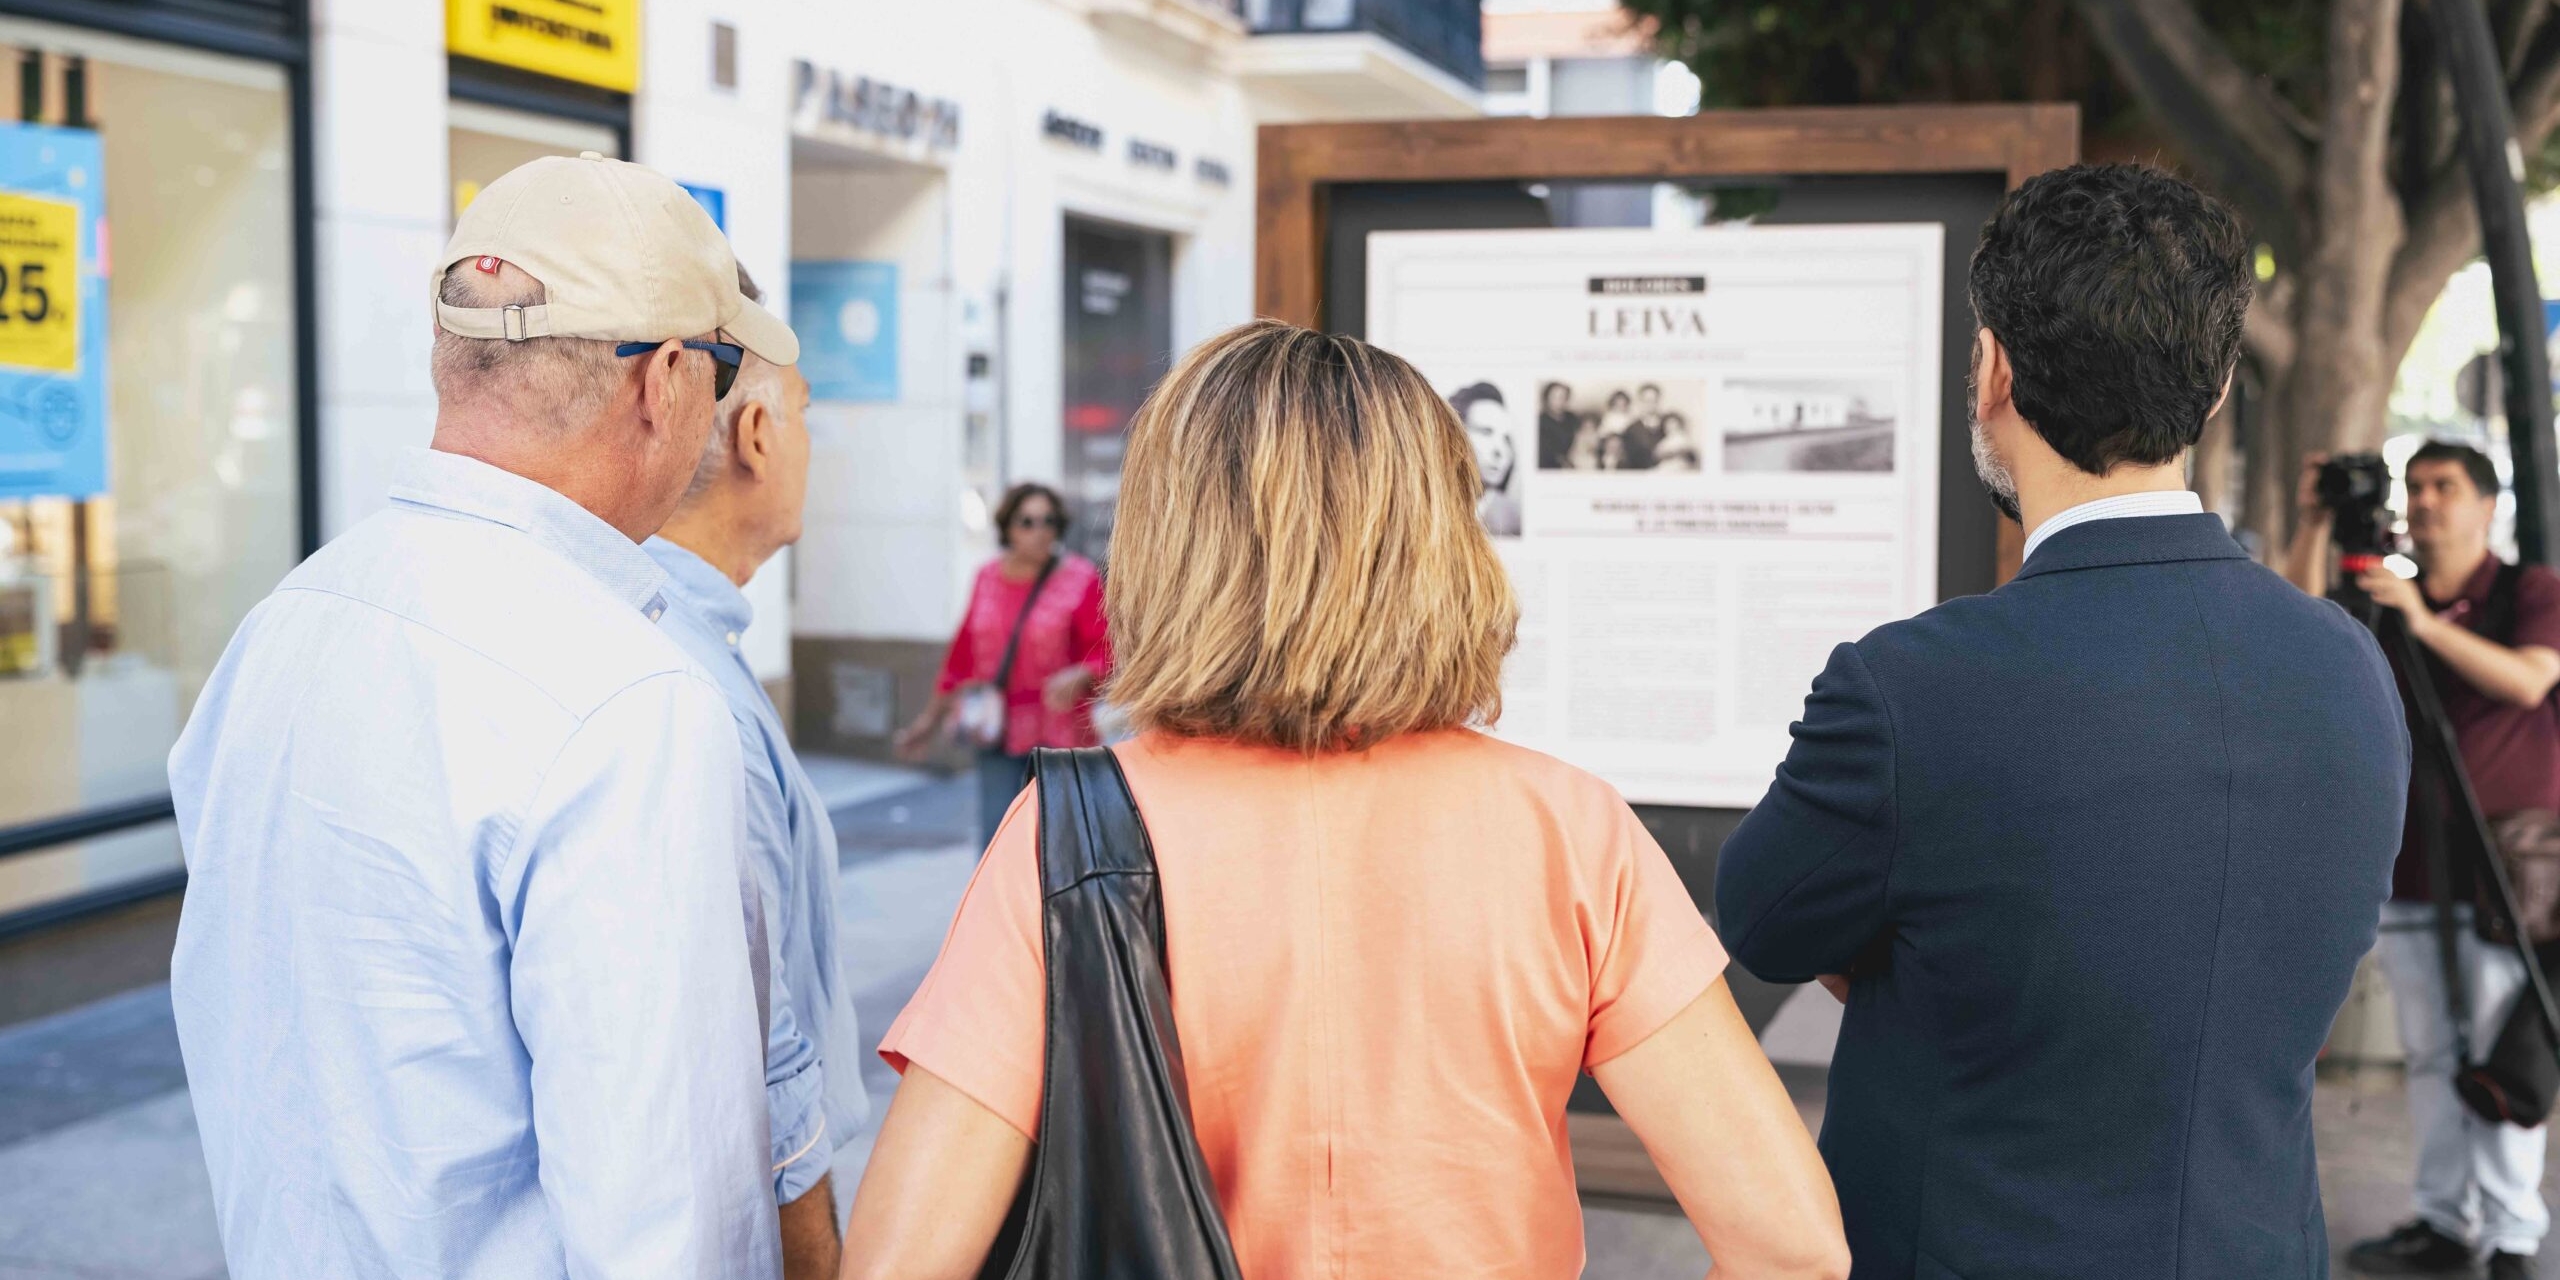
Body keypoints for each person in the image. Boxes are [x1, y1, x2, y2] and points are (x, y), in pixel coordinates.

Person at [839, 320, 1849, 1280]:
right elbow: (1792, 1247)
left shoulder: (1068, 835)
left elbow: (899, 1260)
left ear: (1171, 544)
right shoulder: (1572, 831)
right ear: (1442, 537)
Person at [1716, 163, 2410, 1277]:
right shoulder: (2348, 665)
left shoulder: (1910, 687)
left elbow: (1762, 921)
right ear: (2219, 383)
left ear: (1991, 366)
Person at [166, 153, 798, 1278]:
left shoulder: (287, 619)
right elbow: (666, 1220)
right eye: (717, 369)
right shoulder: (633, 696)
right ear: (661, 381)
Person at [2293, 443, 2560, 1280]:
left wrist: (2421, 620)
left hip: (2506, 870)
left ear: (2487, 506)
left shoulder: (2529, 591)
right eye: (2417, 487)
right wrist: (2316, 523)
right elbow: (2299, 626)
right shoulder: (2386, 593)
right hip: (2412, 864)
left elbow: (2527, 682)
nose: (2427, 502)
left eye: (2446, 487)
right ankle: (2445, 1220)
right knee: (2434, 1054)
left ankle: (2513, 1237)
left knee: (2502, 1062)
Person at [645, 265, 864, 1280]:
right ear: (758, 435)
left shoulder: (682, 645)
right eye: (807, 415)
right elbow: (763, 1057)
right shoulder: (689, 689)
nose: (813, 447)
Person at [894, 482, 1110, 841]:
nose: (1040, 532)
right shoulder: (987, 579)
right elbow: (961, 659)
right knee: (998, 841)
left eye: (1049, 521)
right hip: (996, 730)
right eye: (1028, 522)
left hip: (1061, 737)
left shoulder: (1079, 579)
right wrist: (927, 723)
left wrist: (1081, 673)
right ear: (1007, 527)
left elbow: (1108, 650)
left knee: (1060, 846)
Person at [1450, 380, 1523, 536]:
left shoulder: (1512, 521)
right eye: (1486, 432)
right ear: (1455, 435)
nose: (1500, 450)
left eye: (1506, 439)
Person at [1621, 382, 1667, 470]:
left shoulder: (1668, 425)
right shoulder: (1631, 430)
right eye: (1646, 401)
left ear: (1659, 401)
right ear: (1640, 402)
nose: (1650, 404)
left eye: (1654, 400)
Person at [1536, 380, 1578, 470]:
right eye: (1555, 397)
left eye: (1563, 397)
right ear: (1546, 398)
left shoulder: (1572, 417)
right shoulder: (1540, 422)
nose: (1560, 401)